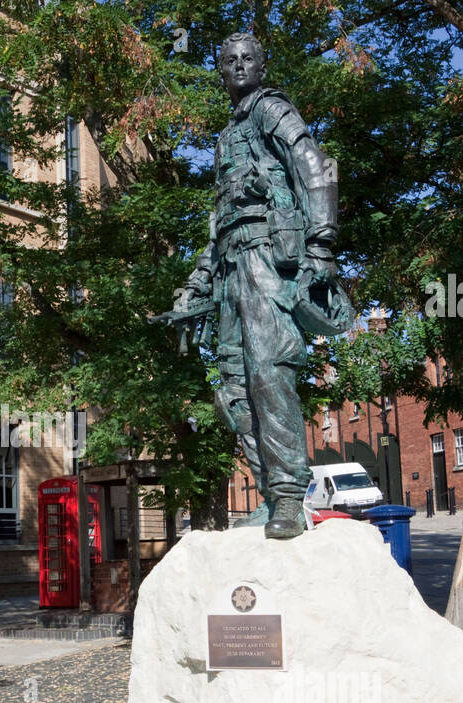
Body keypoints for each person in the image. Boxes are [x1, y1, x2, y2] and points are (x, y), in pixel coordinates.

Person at [171, 32, 346, 539]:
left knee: (269, 374)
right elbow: (219, 221)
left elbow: (314, 165)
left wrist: (321, 244)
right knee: (234, 385)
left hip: (266, 264)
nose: (240, 65)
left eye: (249, 58)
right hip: (230, 270)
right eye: (230, 60)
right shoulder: (229, 135)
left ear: (263, 67)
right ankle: (271, 495)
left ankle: (290, 498)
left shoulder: (271, 110)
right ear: (220, 71)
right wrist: (197, 282)